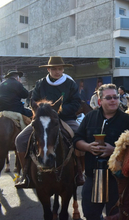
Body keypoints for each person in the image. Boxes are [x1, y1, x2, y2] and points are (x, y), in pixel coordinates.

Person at [15, 56, 84, 188]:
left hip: (66, 119)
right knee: (20, 139)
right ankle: (26, 175)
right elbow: (33, 101)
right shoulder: (40, 83)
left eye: (59, 69)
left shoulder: (70, 84)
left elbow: (76, 103)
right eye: (54, 69)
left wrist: (57, 111)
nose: (57, 71)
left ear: (63, 69)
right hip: (43, 120)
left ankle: (79, 172)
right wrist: (44, 112)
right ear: (48, 69)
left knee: (80, 137)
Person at [73, 84, 129, 220]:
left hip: (118, 178)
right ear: (100, 101)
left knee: (116, 216)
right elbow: (77, 139)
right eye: (109, 98)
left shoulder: (128, 120)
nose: (113, 100)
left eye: (115, 97)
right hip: (93, 175)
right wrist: (88, 147)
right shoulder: (90, 117)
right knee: (90, 214)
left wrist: (114, 151)